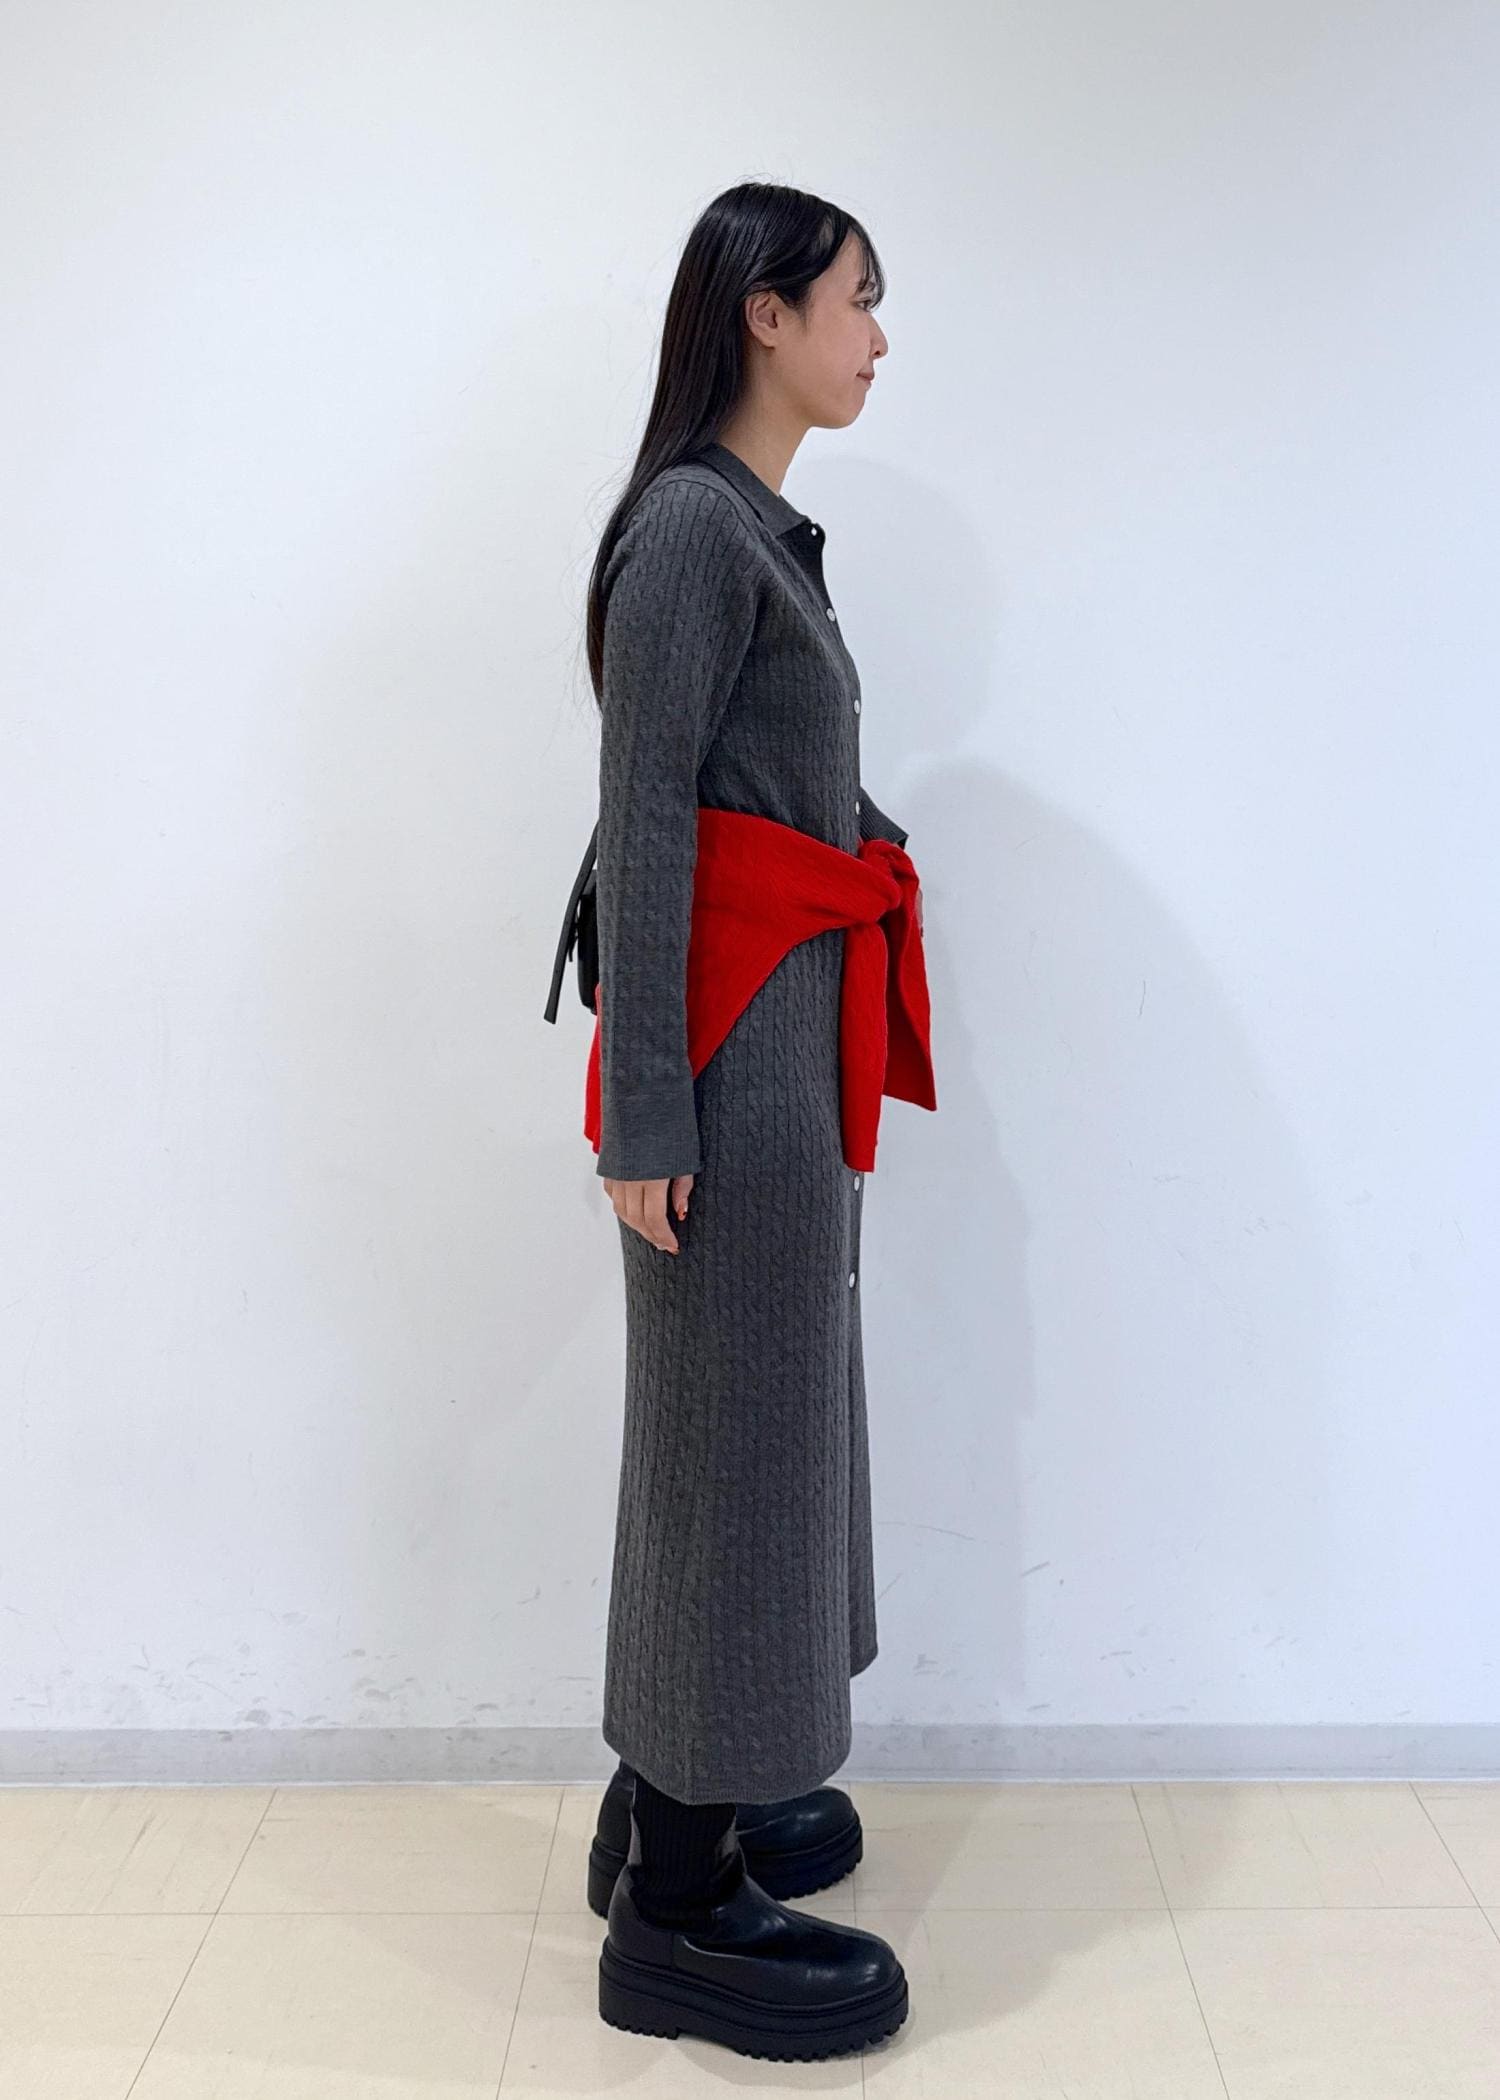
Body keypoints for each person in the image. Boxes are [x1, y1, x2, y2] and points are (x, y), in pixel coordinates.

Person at [574, 180, 934, 2060]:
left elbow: (742, 789)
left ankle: (669, 1796)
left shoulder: (747, 530)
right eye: (857, 299)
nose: (879, 335)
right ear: (765, 315)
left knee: (752, 1429)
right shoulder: (697, 533)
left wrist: (855, 845)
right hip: (723, 1068)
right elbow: (643, 827)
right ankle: (680, 1906)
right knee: (733, 1448)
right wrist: (645, 1118)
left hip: (774, 1048)